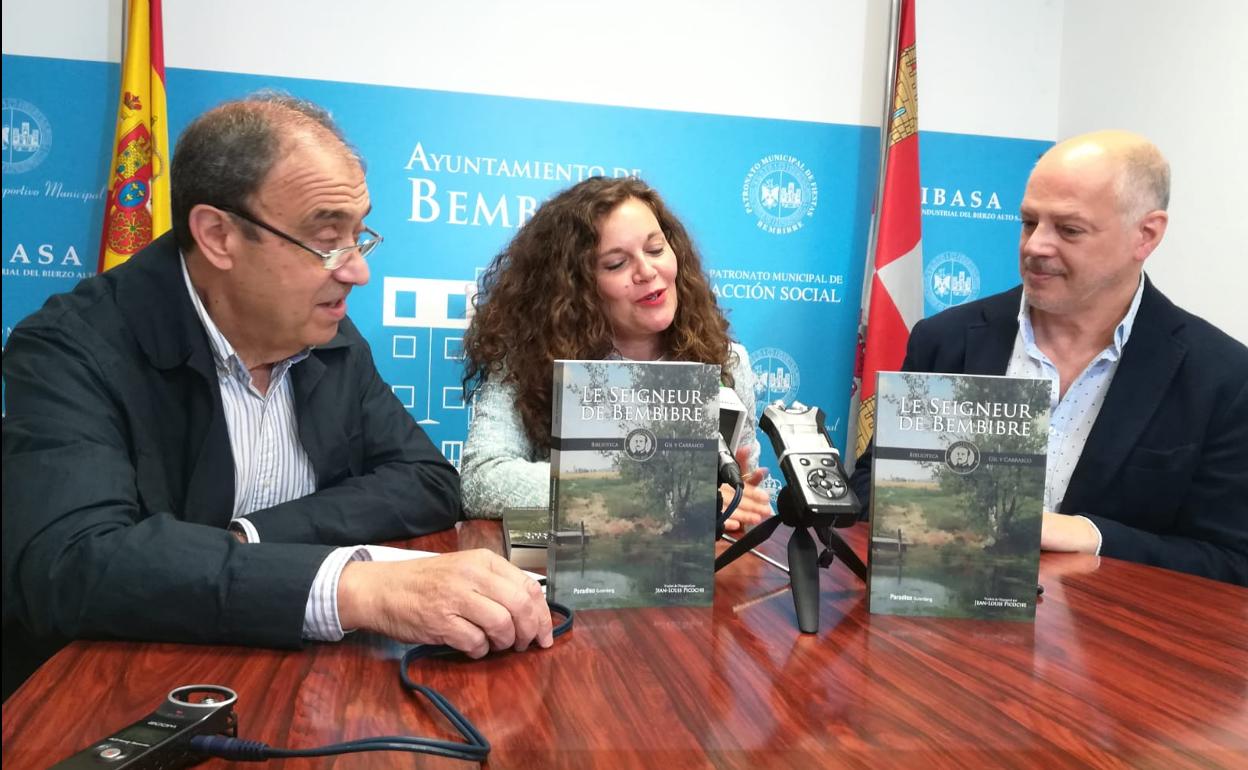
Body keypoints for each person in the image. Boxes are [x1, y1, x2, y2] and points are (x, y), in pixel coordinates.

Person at [1, 93, 552, 699]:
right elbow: (71, 564)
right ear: (218, 236)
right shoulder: (72, 348)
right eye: (325, 237)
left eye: (358, 234)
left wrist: (253, 538)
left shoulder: (328, 333)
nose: (356, 271)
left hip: (289, 683)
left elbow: (426, 479)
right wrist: (351, 588)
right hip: (109, 696)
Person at [851, 130, 1247, 586]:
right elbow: (867, 491)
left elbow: (1231, 562)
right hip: (943, 634)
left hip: (1111, 646)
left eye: (1069, 229)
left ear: (1146, 234)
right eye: (1028, 222)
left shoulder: (1222, 379)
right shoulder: (947, 341)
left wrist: (1091, 535)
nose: (1036, 245)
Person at [459, 176, 770, 529]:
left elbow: (743, 497)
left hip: (695, 571)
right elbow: (482, 480)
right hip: (569, 572)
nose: (648, 271)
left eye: (655, 250)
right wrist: (650, 495)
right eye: (616, 264)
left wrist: (743, 504)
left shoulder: (726, 362)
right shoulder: (526, 359)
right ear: (577, 287)